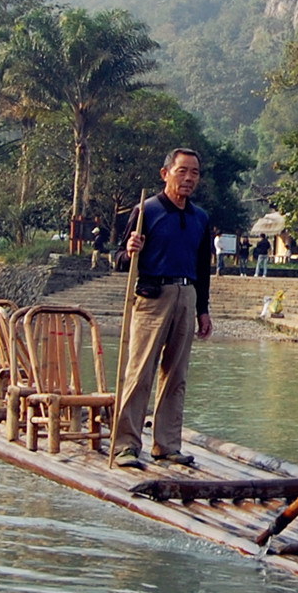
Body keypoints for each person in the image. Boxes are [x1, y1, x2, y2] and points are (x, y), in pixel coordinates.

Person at [114, 148, 214, 470]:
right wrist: (130, 251)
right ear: (165, 173)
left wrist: (203, 309)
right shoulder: (146, 211)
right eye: (182, 171)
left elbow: (203, 267)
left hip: (186, 294)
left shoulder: (201, 217)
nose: (188, 178)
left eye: (194, 173)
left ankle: (167, 445)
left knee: (176, 376)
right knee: (140, 372)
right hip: (152, 296)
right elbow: (118, 260)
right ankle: (126, 445)